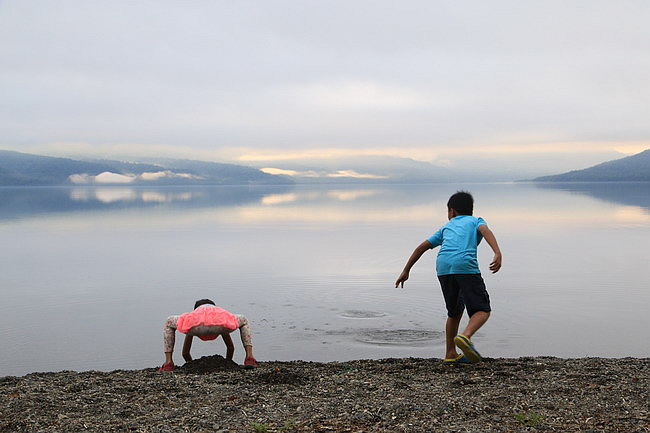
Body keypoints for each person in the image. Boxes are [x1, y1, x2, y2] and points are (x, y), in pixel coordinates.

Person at [395, 191, 502, 364]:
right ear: (470, 210)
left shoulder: (446, 226)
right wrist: (497, 252)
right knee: (482, 310)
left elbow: (421, 247)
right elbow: (485, 230)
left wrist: (406, 271)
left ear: (451, 211)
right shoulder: (476, 221)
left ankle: (450, 353)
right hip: (465, 266)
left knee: (454, 312)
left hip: (443, 268)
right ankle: (465, 337)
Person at [159, 299, 258, 371]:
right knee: (244, 320)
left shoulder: (195, 316)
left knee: (169, 321)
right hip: (219, 324)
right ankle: (249, 357)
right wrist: (228, 362)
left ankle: (168, 362)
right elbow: (230, 347)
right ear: (214, 307)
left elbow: (185, 353)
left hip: (196, 326)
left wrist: (190, 364)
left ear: (196, 310)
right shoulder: (219, 316)